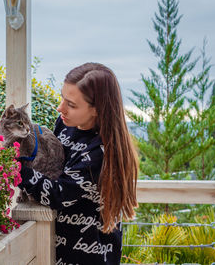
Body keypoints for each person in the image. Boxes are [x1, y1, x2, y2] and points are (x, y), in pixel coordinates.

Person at [18, 62, 138, 265]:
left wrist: (15, 168)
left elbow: (58, 193)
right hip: (60, 250)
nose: (60, 108)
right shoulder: (66, 125)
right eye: (63, 98)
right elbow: (52, 164)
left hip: (89, 257)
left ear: (97, 110)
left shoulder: (99, 153)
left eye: (71, 104)